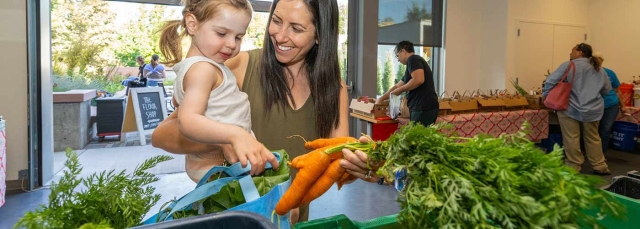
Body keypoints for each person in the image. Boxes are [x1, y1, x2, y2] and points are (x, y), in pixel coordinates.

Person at [152, 0, 348, 224]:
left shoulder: (335, 89)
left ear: (320, 36)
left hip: (292, 218)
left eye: (296, 28)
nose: (280, 36)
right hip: (241, 215)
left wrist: (358, 166)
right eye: (276, 21)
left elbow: (338, 163)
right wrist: (225, 141)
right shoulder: (234, 65)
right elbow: (161, 136)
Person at [542, 43, 612, 174]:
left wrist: (545, 96)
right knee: (593, 137)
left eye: (572, 51)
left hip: (570, 108)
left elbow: (550, 81)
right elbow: (607, 89)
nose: (570, 54)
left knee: (571, 138)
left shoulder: (569, 65)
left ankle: (573, 166)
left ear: (580, 53)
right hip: (593, 109)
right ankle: (600, 166)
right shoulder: (599, 68)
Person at [376, 40, 439, 126]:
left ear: (403, 51)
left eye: (397, 56)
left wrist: (400, 90)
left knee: (418, 137)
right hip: (420, 107)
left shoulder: (413, 59)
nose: (398, 60)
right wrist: (381, 98)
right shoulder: (411, 65)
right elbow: (396, 86)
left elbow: (418, 80)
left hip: (423, 107)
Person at [592, 52, 630, 153]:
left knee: (605, 129)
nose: (596, 60)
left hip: (610, 105)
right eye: (594, 58)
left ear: (602, 60)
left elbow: (617, 91)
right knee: (592, 130)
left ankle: (601, 153)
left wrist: (623, 106)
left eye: (598, 58)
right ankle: (591, 153)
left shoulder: (610, 73)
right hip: (593, 105)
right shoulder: (588, 72)